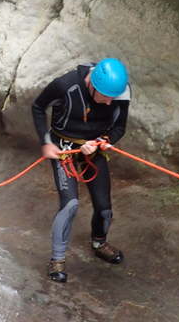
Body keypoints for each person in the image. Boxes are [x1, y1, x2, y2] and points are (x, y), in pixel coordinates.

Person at [31, 58, 131, 283]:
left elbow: (119, 127)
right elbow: (38, 107)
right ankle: (57, 260)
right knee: (71, 204)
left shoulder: (120, 92)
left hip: (94, 148)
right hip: (63, 148)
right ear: (92, 85)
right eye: (105, 97)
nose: (109, 103)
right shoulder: (65, 86)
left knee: (104, 207)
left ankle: (99, 243)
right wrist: (46, 142)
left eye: (113, 98)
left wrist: (101, 141)